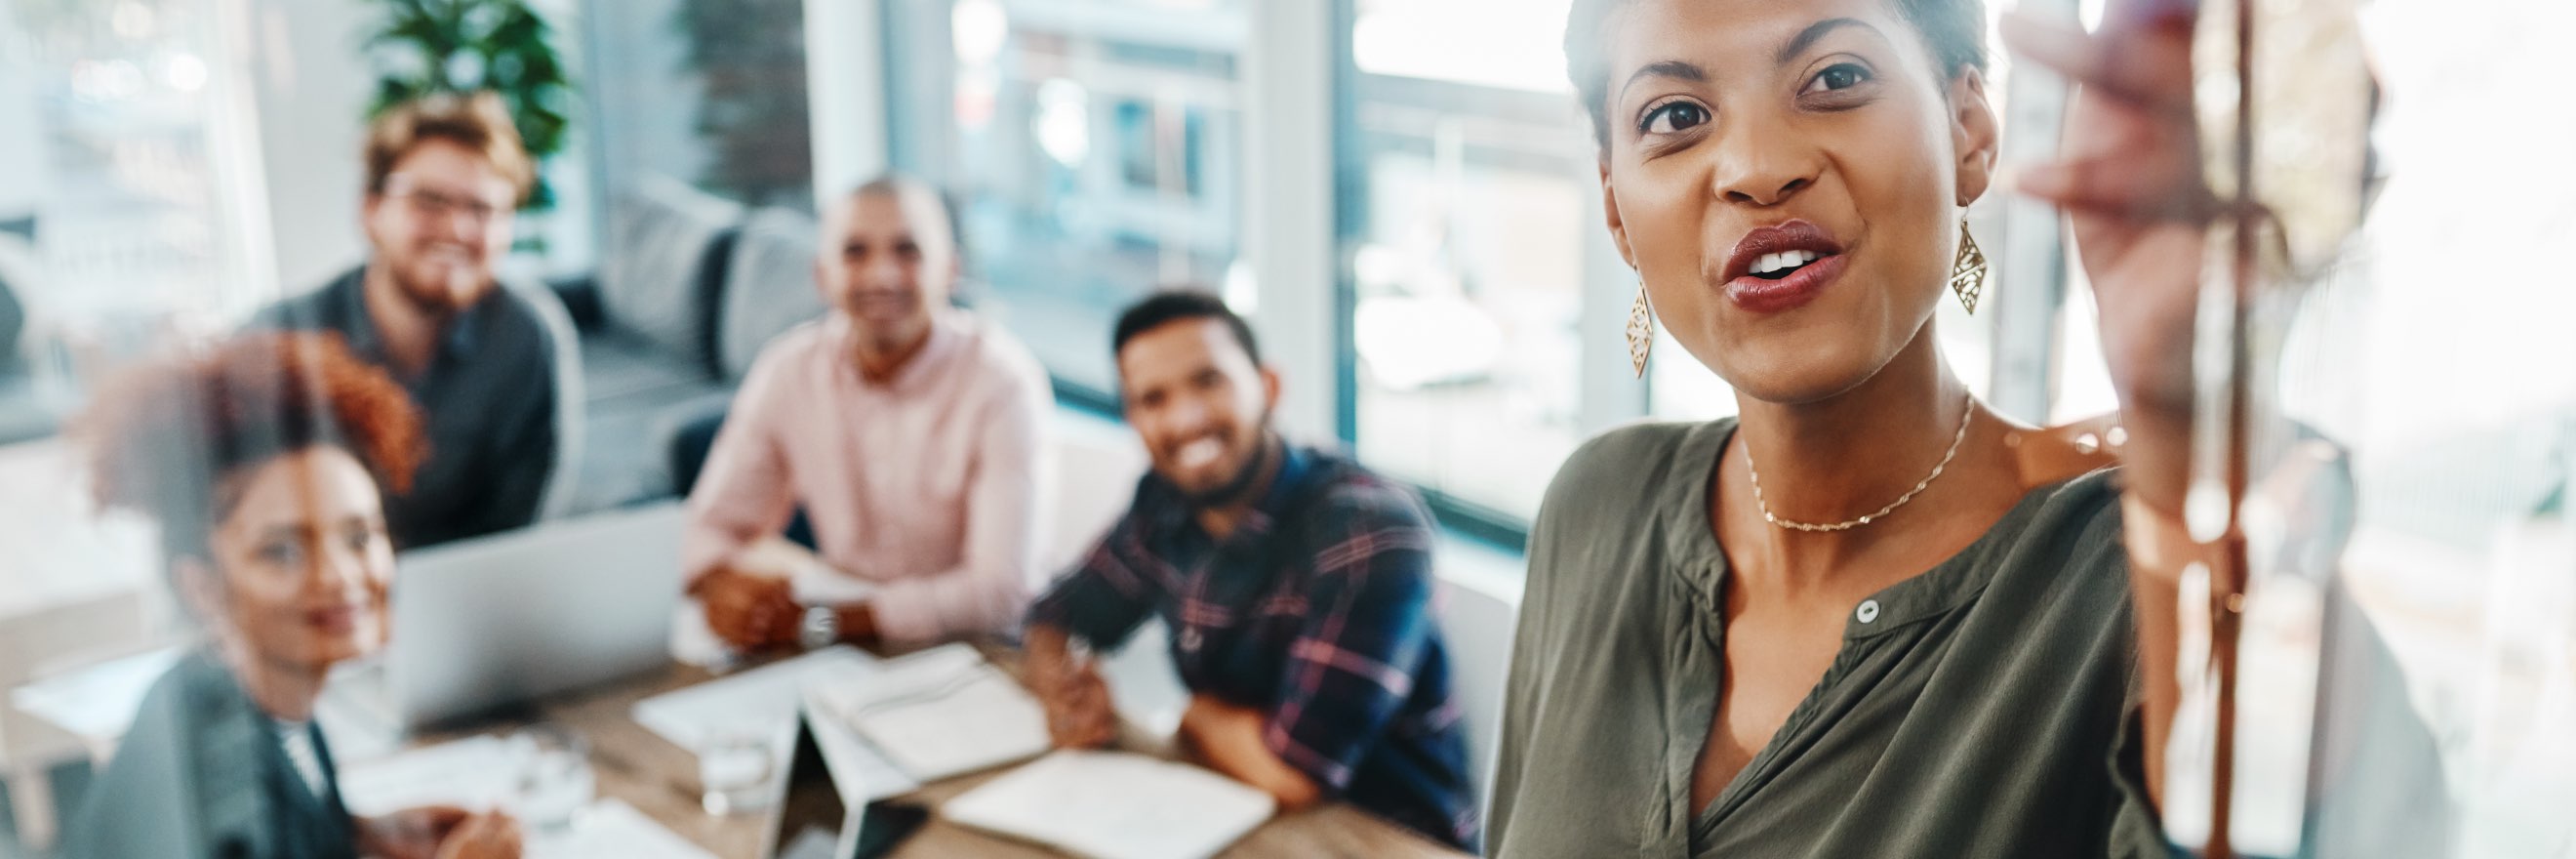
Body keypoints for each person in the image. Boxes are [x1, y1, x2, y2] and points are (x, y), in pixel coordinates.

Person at [1486, 0, 2257, 854]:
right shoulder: (1599, 506)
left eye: (1836, 79)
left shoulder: (2126, 577)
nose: (1756, 167)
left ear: (1968, 130)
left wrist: (2190, 421)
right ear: (1616, 208)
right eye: (1676, 117)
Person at [1023, 291, 1479, 850]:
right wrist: (1067, 688)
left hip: (1380, 838)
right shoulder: (1163, 501)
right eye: (1154, 399)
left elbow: (1294, 775)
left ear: (1268, 387)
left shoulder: (1367, 529)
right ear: (1133, 419)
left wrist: (1197, 717)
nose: (1186, 418)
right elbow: (1054, 616)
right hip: (1231, 812)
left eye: (1208, 381)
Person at [60, 332, 520, 859]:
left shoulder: (228, 695)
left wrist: (360, 837)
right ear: (202, 587)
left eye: (360, 537)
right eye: (282, 553)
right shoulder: (233, 793)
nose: (341, 577)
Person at [683, 175, 1055, 650]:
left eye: (908, 251)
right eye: (855, 252)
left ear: (951, 271)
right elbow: (709, 525)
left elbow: (1002, 593)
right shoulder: (787, 370)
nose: (882, 276)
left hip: (981, 652)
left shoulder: (1003, 382)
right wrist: (725, 587)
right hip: (849, 645)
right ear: (822, 274)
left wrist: (822, 622)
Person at [249, 91, 578, 551]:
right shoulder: (278, 342)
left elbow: (518, 530)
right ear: (371, 210)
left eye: (482, 210)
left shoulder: (525, 338)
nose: (458, 230)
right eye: (429, 201)